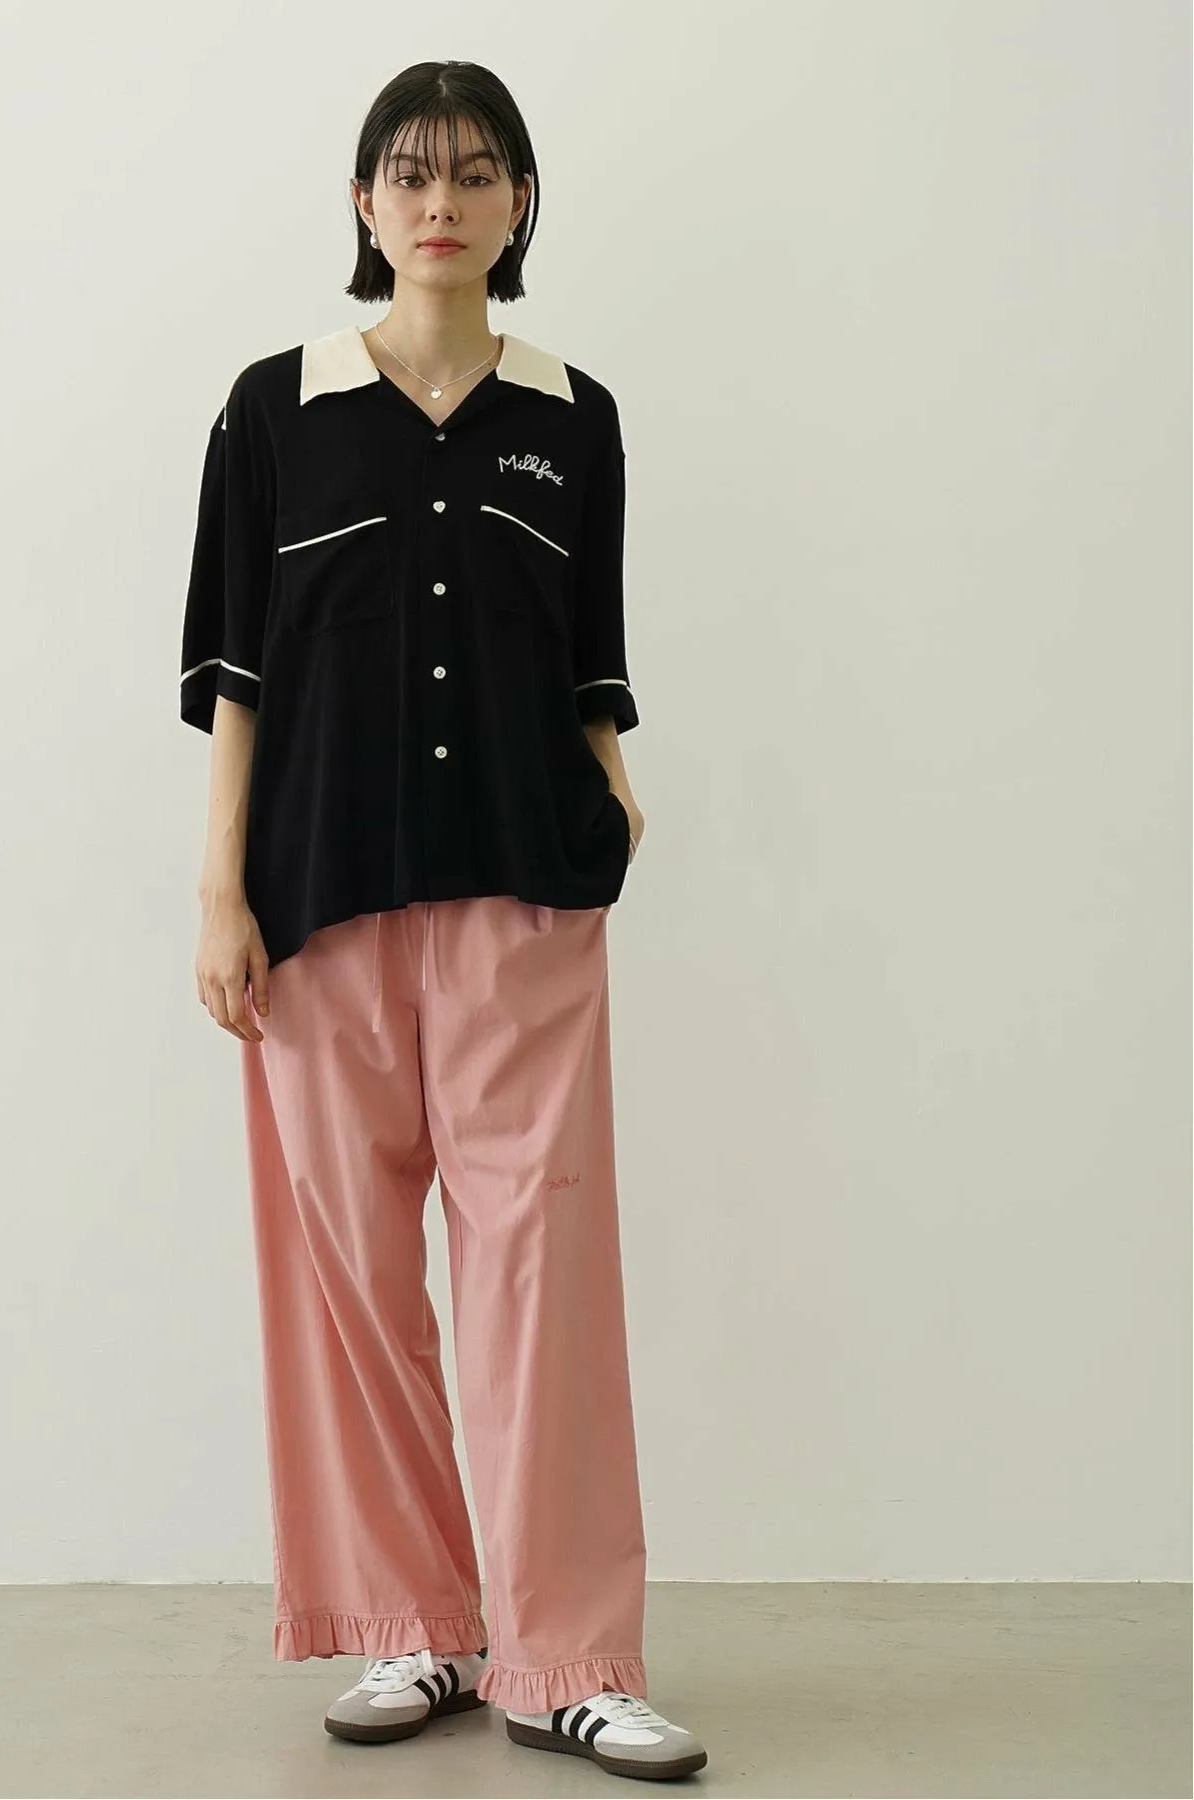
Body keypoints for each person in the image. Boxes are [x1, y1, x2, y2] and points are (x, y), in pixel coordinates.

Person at [179, 59, 707, 1785]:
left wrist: (612, 775)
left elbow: (591, 645)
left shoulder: (574, 414)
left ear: (519, 203)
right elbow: (234, 675)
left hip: (521, 887)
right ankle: (416, 1628)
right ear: (363, 201)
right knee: (350, 1277)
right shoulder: (275, 410)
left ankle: (571, 1658)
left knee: (539, 1271)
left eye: (478, 173)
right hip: (317, 901)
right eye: (410, 172)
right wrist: (220, 892)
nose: (442, 201)